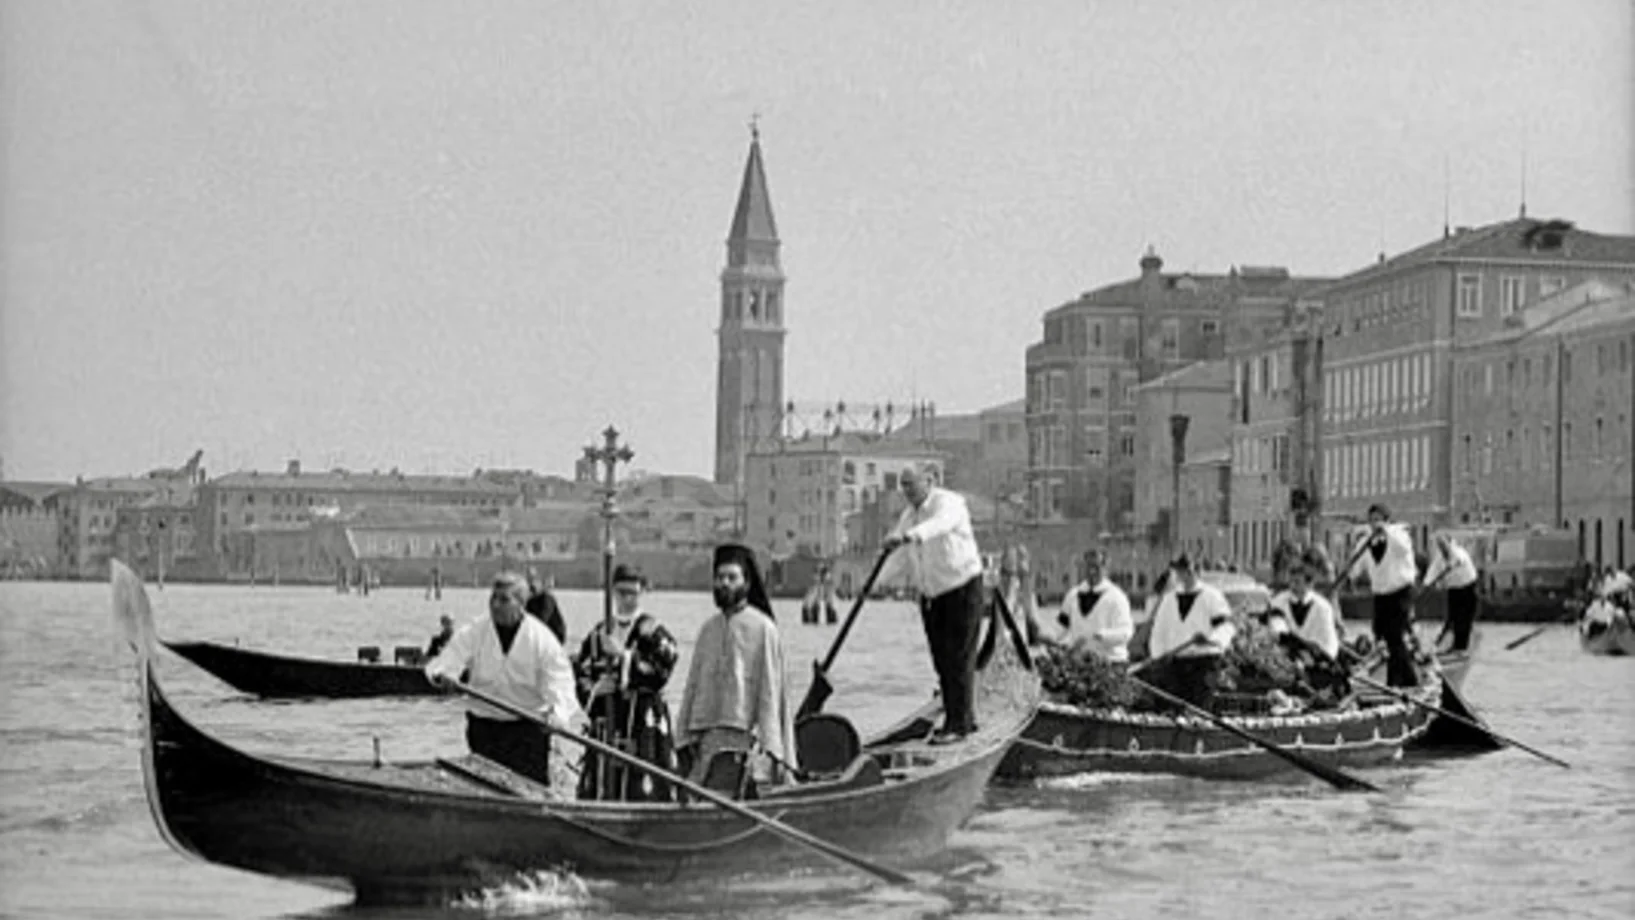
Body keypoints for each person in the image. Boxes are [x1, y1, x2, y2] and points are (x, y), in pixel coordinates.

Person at [424, 572, 583, 786]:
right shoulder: (476, 630)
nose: (496, 605)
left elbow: (560, 683)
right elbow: (450, 657)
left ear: (520, 604)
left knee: (530, 792)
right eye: (493, 598)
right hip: (484, 727)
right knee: (483, 788)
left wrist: (557, 714)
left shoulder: (541, 639)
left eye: (504, 599)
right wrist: (445, 675)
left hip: (526, 729)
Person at [674, 544, 798, 790]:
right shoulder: (708, 630)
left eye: (732, 577)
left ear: (746, 583)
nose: (725, 584)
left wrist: (772, 749)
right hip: (707, 740)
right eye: (720, 578)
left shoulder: (764, 629)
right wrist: (683, 737)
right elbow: (692, 689)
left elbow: (771, 696)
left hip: (746, 742)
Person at [878, 466, 987, 744]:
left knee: (959, 657)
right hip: (932, 596)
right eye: (903, 486)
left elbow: (938, 525)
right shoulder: (908, 516)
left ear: (930, 481)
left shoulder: (949, 503)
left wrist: (908, 536)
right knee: (941, 661)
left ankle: (959, 725)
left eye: (911, 485)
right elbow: (901, 557)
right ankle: (960, 717)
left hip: (962, 588)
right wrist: (878, 582)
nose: (907, 491)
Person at [572, 563, 680, 801]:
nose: (627, 599)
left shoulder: (653, 631)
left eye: (633, 593)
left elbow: (662, 669)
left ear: (642, 592)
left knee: (642, 781)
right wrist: (596, 691)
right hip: (607, 722)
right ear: (613, 592)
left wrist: (625, 658)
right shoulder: (598, 633)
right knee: (602, 777)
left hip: (642, 722)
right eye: (622, 593)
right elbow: (581, 672)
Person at [1146, 554, 1235, 707]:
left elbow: (1226, 627)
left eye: (1187, 571)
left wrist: (1210, 640)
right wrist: (1158, 655)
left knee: (1200, 707)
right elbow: (1158, 632)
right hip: (1177, 662)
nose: (1184, 575)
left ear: (1197, 572)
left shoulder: (1211, 596)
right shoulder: (1169, 599)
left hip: (1204, 663)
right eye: (1180, 571)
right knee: (1175, 706)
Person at [1347, 503, 1420, 687]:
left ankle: (1402, 681)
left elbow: (1403, 549)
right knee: (1381, 636)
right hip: (1381, 596)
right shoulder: (1366, 542)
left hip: (1401, 593)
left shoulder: (1400, 535)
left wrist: (1386, 531)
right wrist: (1350, 573)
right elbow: (1355, 569)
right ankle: (1403, 679)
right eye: (1371, 520)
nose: (1374, 524)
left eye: (1378, 520)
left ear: (1387, 521)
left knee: (1395, 636)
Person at [1052, 548, 1134, 662]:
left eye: (1096, 567)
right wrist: (1047, 637)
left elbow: (1126, 632)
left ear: (1105, 568)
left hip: (1110, 661)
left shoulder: (1117, 598)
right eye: (1088, 567)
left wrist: (1099, 636)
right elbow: (1060, 628)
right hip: (1079, 660)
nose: (1092, 572)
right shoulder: (1072, 595)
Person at [1268, 555, 1341, 659]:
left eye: (1297, 582)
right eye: (1291, 582)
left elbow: (1330, 644)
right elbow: (1275, 633)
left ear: (1309, 584)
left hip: (1315, 662)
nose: (1292, 586)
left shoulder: (1323, 607)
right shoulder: (1278, 602)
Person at [1424, 534, 1481, 652]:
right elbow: (1431, 573)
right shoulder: (1439, 559)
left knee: (1465, 618)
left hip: (1468, 587)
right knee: (1452, 617)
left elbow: (1459, 560)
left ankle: (1462, 647)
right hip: (1454, 590)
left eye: (1443, 544)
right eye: (1439, 545)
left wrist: (1450, 566)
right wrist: (1427, 584)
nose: (1442, 547)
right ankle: (1454, 645)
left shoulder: (1459, 552)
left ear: (1449, 543)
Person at [524, 569, 568, 645]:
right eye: (530, 586)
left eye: (534, 585)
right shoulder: (530, 601)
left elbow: (542, 618)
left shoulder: (547, 598)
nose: (532, 589)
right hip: (539, 634)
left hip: (554, 636)